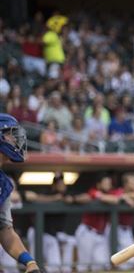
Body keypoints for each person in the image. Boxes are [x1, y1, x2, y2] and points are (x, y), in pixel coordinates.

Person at [0, 113, 42, 272]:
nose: (16, 140)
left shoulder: (3, 184)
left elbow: (5, 230)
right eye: (10, 135)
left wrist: (30, 262)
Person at [24, 173, 77, 273]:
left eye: (63, 183)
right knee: (34, 263)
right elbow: (33, 198)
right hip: (38, 232)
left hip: (51, 235)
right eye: (59, 183)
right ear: (54, 185)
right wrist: (53, 199)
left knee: (56, 265)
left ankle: (65, 269)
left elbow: (84, 197)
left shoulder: (66, 195)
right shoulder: (48, 193)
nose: (62, 185)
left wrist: (73, 199)